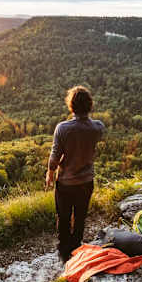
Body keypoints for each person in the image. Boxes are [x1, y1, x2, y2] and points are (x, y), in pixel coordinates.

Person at [46, 86, 105, 263]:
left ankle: (65, 253)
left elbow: (55, 156)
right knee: (80, 216)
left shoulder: (62, 128)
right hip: (86, 181)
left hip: (66, 182)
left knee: (63, 217)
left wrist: (49, 173)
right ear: (89, 105)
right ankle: (76, 246)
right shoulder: (98, 127)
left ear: (71, 105)